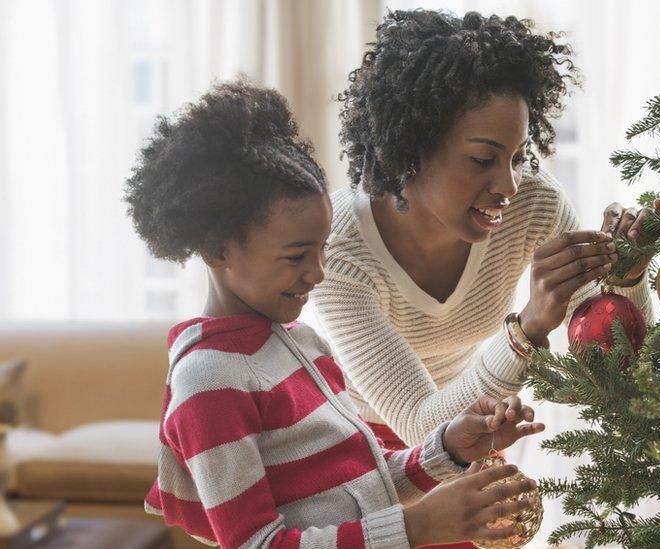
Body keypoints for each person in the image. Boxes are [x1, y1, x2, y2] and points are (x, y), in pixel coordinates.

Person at [125, 79, 545, 548]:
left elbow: (367, 486)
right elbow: (257, 544)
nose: (318, 274)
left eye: (322, 251)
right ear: (217, 250)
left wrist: (448, 447)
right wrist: (420, 526)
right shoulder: (208, 381)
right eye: (296, 256)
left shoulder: (300, 343)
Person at [312, 9, 654, 451]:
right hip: (353, 446)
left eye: (516, 157)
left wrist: (624, 279)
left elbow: (617, 363)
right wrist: (526, 328)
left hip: (470, 423)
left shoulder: (534, 204)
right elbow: (421, 425)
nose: (509, 186)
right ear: (411, 149)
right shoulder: (339, 251)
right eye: (482, 159)